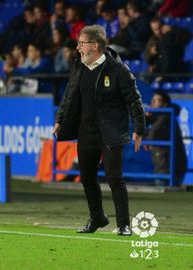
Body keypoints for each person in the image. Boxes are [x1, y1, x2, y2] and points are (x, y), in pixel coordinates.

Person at [53, 25, 146, 236]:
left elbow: (135, 101)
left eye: (81, 43)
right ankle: (98, 218)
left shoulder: (118, 70)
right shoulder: (78, 68)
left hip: (111, 132)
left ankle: (124, 224)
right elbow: (68, 97)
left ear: (95, 46)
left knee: (115, 178)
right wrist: (60, 119)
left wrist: (139, 129)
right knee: (86, 177)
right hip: (86, 132)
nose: (77, 48)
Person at [144, 91, 187, 186]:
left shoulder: (166, 116)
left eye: (157, 100)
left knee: (164, 191)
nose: (153, 103)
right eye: (153, 100)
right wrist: (146, 118)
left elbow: (153, 134)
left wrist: (145, 140)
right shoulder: (157, 116)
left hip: (168, 166)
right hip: (163, 164)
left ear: (165, 104)